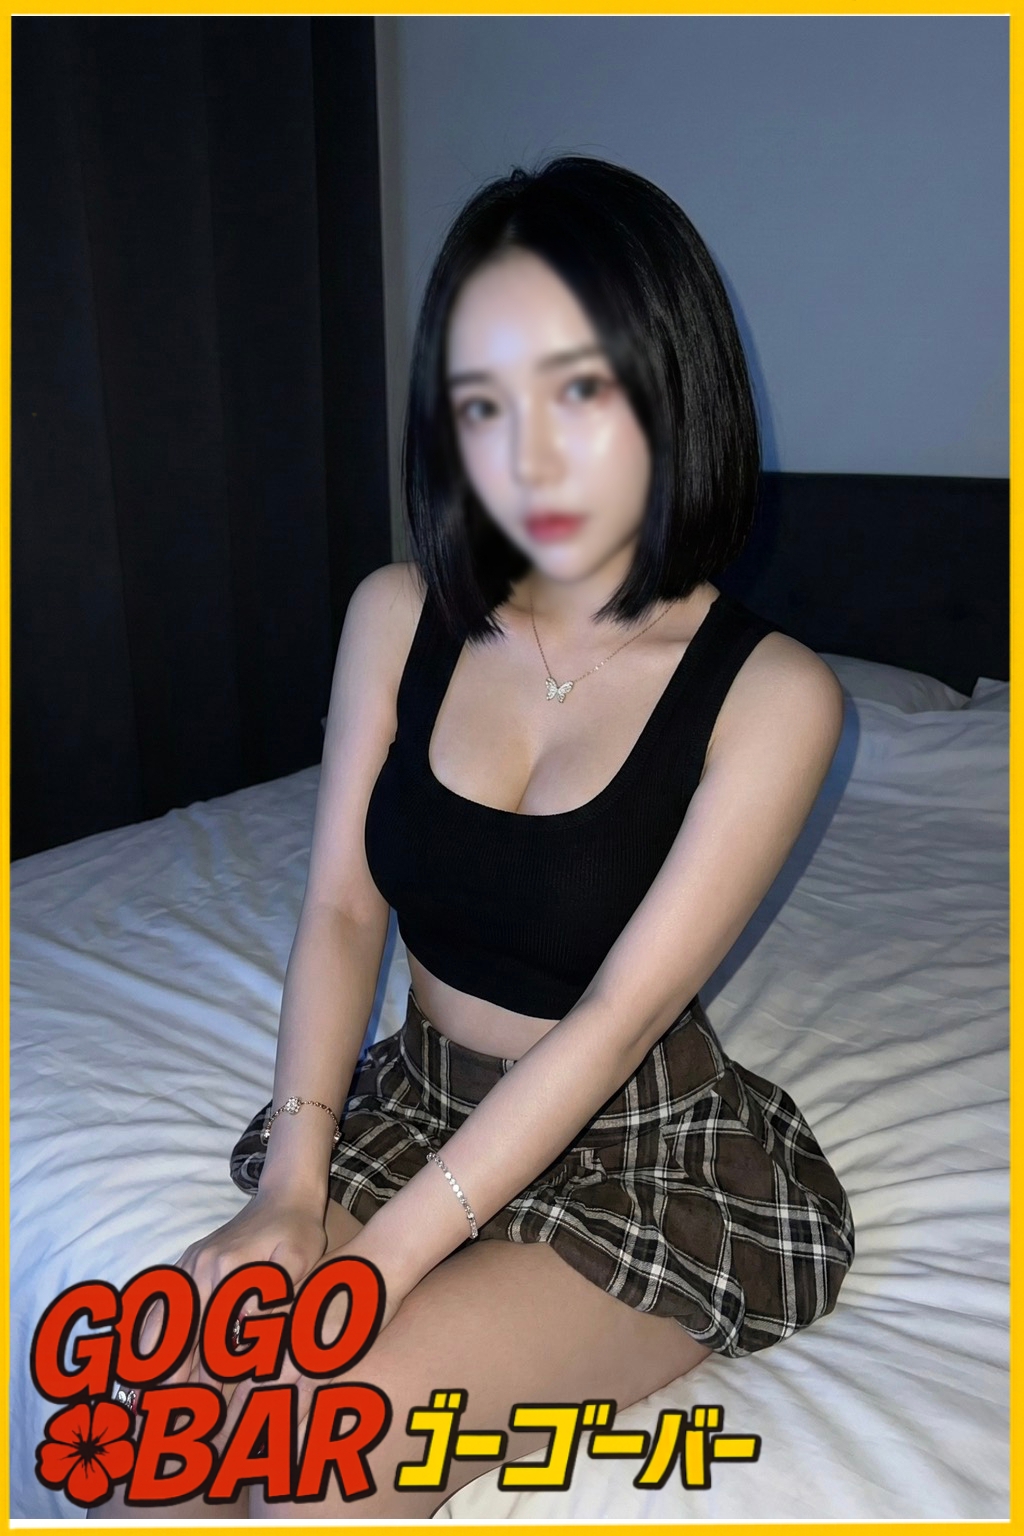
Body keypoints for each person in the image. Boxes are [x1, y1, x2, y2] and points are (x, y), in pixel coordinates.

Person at [105, 155, 855, 1519]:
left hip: (633, 1144)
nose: (529, 457)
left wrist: (379, 1265)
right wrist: (294, 1189)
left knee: (325, 1443)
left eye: (580, 390)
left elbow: (616, 1023)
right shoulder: (398, 614)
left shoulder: (776, 697)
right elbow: (343, 909)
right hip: (414, 1101)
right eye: (482, 403)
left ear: (671, 383)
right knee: (166, 1418)